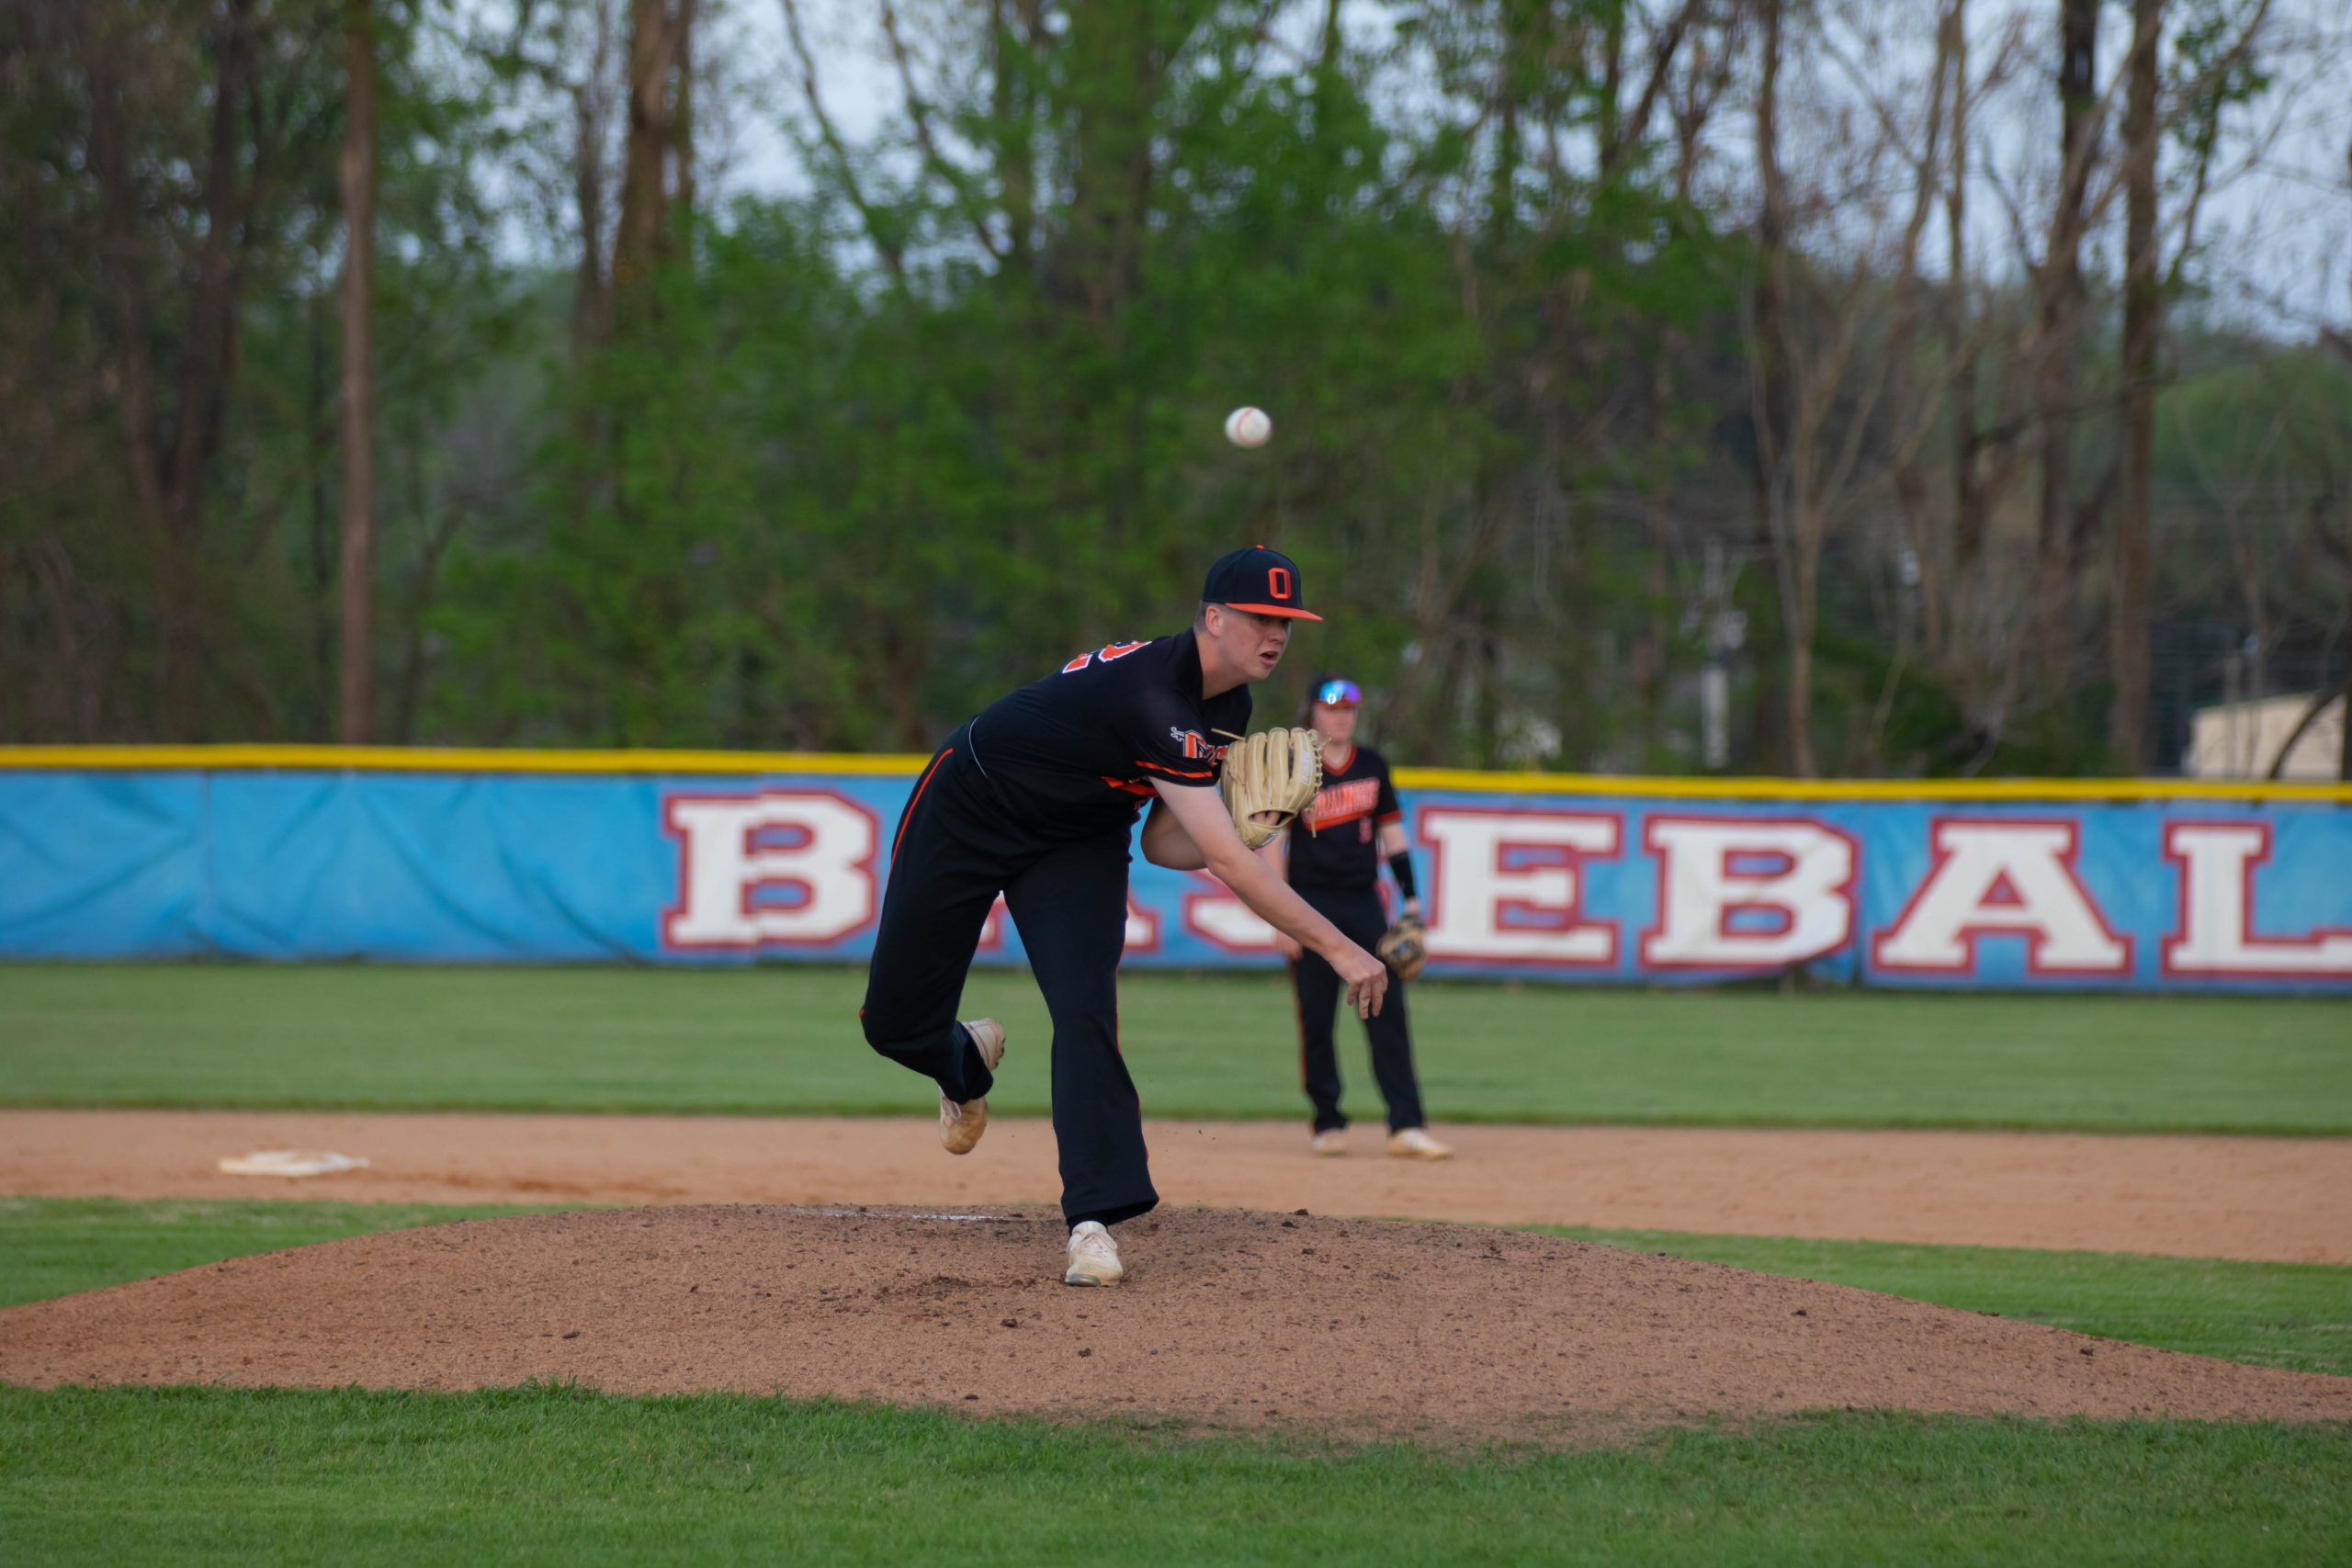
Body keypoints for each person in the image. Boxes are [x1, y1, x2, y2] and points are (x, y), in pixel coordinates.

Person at [858, 547, 1389, 1288]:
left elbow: (1163, 843)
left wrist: (1251, 820)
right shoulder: (1154, 694)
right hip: (972, 804)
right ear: (1213, 617)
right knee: (892, 1023)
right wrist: (1341, 947)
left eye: (1286, 622)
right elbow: (1226, 863)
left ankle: (1092, 1223)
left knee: (1084, 1012)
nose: (1276, 634)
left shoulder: (1227, 707)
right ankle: (963, 1063)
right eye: (1260, 617)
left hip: (1077, 841)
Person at [1268, 677, 1453, 1160]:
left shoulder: (1372, 765)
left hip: (1363, 903)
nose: (1342, 716)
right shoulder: (1295, 766)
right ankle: (1327, 1122)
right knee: (1316, 1018)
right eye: (1332, 708)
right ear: (1313, 712)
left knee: (1388, 1013)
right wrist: (1280, 917)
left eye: (1349, 709)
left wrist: (1411, 900)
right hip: (1307, 906)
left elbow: (1393, 836)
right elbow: (1273, 843)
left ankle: (1406, 1124)